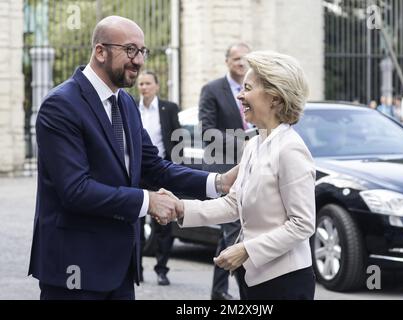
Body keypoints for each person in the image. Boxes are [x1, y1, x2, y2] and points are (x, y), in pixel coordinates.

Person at [28, 15, 237, 300]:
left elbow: (154, 167)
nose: (138, 60)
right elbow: (75, 190)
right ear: (100, 51)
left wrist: (218, 182)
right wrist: (148, 201)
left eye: (142, 51)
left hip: (121, 269)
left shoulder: (125, 103)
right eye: (130, 50)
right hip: (74, 269)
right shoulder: (61, 105)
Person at [163, 51, 316, 300]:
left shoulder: (291, 149)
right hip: (252, 277)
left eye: (248, 88)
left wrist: (247, 249)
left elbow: (302, 224)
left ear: (275, 98)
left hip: (285, 283)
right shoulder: (253, 144)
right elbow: (234, 202)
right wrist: (182, 208)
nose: (240, 95)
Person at [198, 42, 251, 300]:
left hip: (251, 170)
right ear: (227, 61)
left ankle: (219, 292)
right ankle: (247, 296)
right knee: (233, 231)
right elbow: (207, 131)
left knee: (231, 234)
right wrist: (243, 144)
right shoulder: (212, 90)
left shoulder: (254, 88)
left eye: (245, 58)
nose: (241, 62)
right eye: (236, 58)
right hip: (224, 172)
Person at [136, 70, 181, 286]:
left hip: (161, 171)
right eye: (141, 83)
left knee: (164, 226)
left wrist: (176, 169)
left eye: (147, 83)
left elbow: (177, 138)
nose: (143, 87)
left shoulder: (169, 108)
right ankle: (137, 269)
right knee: (135, 224)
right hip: (137, 175)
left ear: (157, 86)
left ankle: (162, 269)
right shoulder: (131, 109)